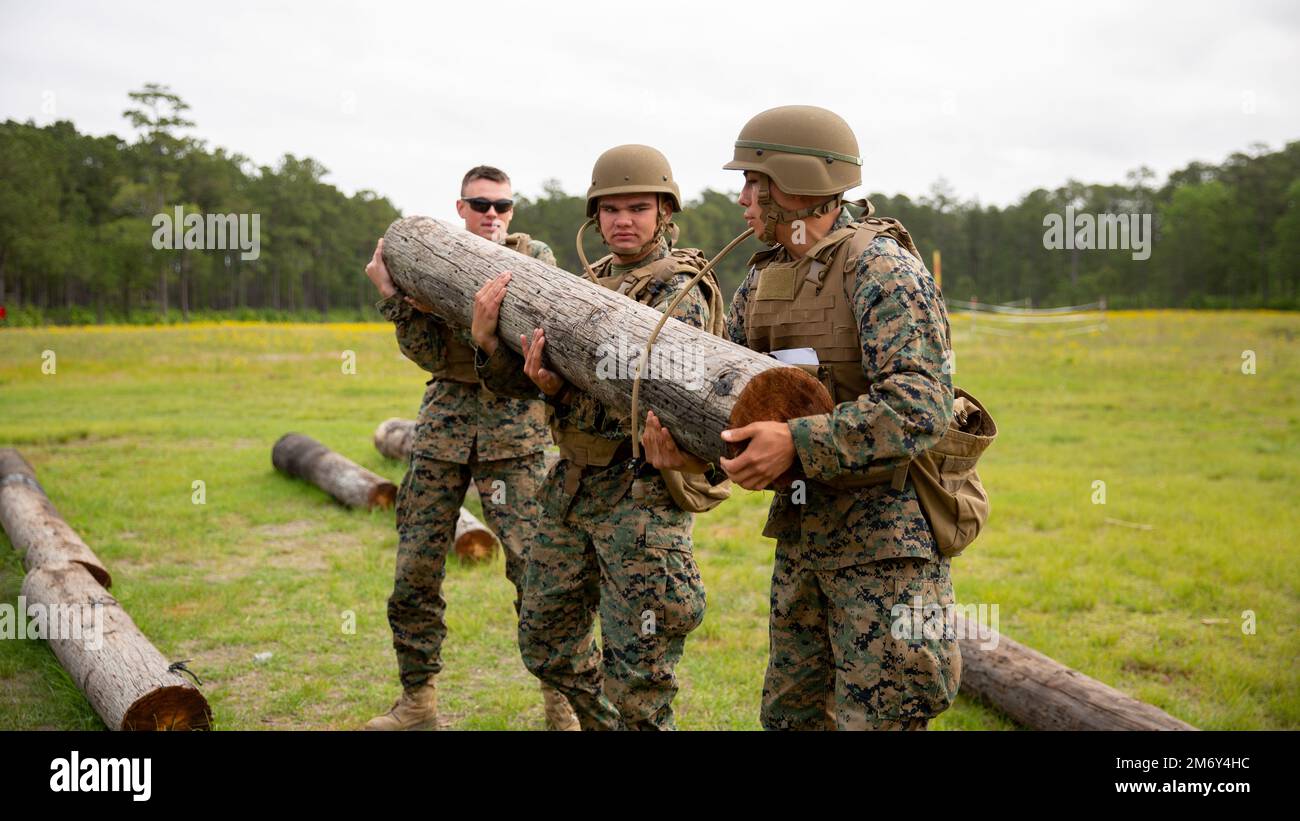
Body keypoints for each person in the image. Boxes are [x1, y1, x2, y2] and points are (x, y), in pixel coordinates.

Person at [641, 106, 961, 730]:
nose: (742, 199)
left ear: (792, 184)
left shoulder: (882, 269)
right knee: (791, 718)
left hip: (885, 550)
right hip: (804, 537)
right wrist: (696, 454)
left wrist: (796, 441)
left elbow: (921, 405)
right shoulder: (762, 281)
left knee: (883, 718)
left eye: (752, 182)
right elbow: (733, 400)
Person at [470, 145, 728, 730]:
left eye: (638, 208)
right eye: (610, 209)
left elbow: (662, 396)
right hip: (572, 487)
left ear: (665, 212)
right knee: (545, 644)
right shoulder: (583, 284)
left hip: (638, 496)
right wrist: (504, 355)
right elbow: (531, 383)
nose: (622, 221)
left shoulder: (679, 290)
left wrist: (566, 390)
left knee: (638, 680)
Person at [362, 165, 578, 731]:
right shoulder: (433, 258)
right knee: (415, 569)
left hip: (516, 435)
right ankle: (418, 702)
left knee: (536, 572)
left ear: (513, 211)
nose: (492, 215)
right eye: (480, 204)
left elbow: (541, 344)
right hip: (444, 429)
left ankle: (562, 707)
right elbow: (430, 354)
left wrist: (485, 336)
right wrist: (392, 297)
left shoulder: (534, 258)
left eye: (502, 205)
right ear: (460, 208)